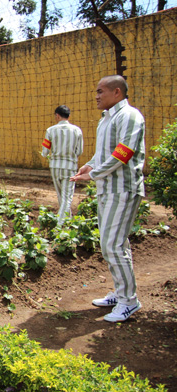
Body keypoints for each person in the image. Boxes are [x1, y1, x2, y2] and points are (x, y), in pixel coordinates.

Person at [71, 75, 145, 322]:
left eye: (100, 91)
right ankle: (121, 292)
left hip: (122, 189)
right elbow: (103, 153)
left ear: (117, 92)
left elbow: (124, 152)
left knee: (112, 245)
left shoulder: (129, 116)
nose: (96, 96)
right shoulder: (106, 120)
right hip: (108, 188)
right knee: (114, 244)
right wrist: (89, 166)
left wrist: (94, 175)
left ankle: (129, 301)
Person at [41, 105, 83, 225]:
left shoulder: (50, 130)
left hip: (54, 166)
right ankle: (60, 225)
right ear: (69, 116)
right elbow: (79, 151)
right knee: (67, 197)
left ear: (57, 116)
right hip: (69, 166)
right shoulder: (77, 130)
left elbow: (45, 152)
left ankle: (65, 222)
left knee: (61, 196)